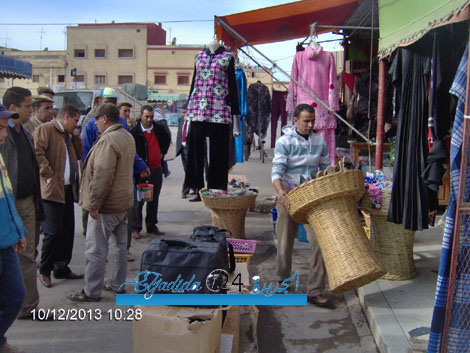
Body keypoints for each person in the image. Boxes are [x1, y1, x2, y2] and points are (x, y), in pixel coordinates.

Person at [69, 103, 135, 301]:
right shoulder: (126, 136)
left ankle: (92, 290)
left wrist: (95, 204)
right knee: (119, 247)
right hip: (123, 202)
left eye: (96, 120)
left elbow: (102, 176)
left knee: (96, 249)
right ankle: (117, 284)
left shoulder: (109, 140)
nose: (95, 123)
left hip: (107, 206)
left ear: (104, 119)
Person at [272, 103, 333, 308]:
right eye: (306, 121)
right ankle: (282, 283)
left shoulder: (319, 141)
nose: (310, 125)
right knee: (284, 241)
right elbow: (277, 170)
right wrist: (280, 192)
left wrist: (331, 177)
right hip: (288, 197)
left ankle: (315, 290)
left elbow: (326, 168)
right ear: (295, 121)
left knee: (320, 242)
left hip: (312, 199)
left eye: (312, 121)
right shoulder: (284, 141)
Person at [0, 87, 45, 320]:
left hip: (27, 203)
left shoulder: (25, 132)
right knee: (16, 258)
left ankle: (28, 306)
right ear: (12, 108)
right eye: (27, 106)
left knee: (28, 255)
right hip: (10, 205)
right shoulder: (4, 137)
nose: (31, 110)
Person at [33, 104, 83, 288]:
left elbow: (79, 154)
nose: (76, 125)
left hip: (67, 189)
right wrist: (49, 173)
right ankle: (44, 269)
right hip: (52, 190)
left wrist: (76, 138)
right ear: (67, 117)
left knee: (67, 231)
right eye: (75, 121)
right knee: (52, 233)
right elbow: (37, 153)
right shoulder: (45, 130)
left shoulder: (68, 135)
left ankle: (61, 267)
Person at [0, 104, 27, 353]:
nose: (5, 134)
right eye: (0, 128)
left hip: (5, 240)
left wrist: (18, 231)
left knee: (16, 294)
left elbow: (7, 198)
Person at [130, 105, 171, 238]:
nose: (149, 119)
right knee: (139, 200)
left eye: (151, 117)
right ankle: (136, 227)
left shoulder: (159, 129)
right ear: (141, 116)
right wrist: (139, 167)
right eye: (146, 116)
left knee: (154, 199)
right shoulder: (134, 132)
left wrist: (162, 153)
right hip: (141, 171)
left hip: (156, 169)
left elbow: (167, 139)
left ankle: (151, 225)